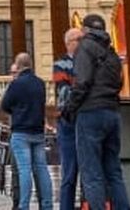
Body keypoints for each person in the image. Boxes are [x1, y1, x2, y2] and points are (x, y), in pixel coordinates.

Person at [62, 15, 130, 210]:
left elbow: (82, 82)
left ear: (84, 30)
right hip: (113, 113)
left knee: (91, 173)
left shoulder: (85, 47)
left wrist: (70, 108)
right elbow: (119, 82)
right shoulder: (111, 52)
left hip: (91, 113)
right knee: (114, 172)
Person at [1, 54, 52, 210]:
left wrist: (16, 111)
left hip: (21, 132)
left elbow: (4, 105)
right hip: (38, 132)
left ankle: (24, 206)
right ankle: (47, 204)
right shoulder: (40, 84)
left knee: (24, 170)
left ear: (18, 65)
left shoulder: (16, 84)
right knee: (42, 169)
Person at [51, 29, 81, 210]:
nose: (82, 43)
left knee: (89, 171)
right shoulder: (61, 64)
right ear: (69, 42)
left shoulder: (87, 61)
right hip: (68, 122)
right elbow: (64, 92)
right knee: (69, 172)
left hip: (83, 120)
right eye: (79, 39)